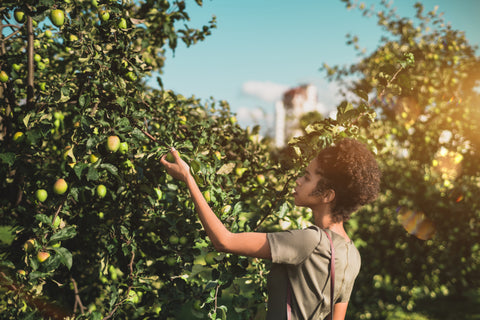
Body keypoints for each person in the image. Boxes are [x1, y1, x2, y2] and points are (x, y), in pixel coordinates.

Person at [161, 138, 381, 320]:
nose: (297, 181)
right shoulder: (352, 254)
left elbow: (224, 241)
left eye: (306, 177)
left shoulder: (309, 241)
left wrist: (188, 178)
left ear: (327, 195)